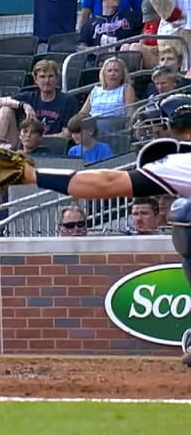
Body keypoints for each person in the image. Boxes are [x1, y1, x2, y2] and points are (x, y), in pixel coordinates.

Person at [14, 94, 191, 366]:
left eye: (159, 127)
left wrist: (33, 176)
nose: (154, 133)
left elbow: (107, 184)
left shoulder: (183, 161)